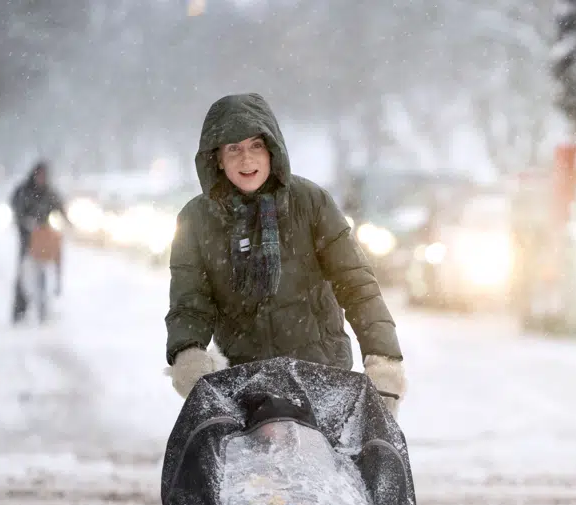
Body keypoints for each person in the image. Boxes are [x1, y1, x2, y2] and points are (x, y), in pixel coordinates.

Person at [164, 93, 406, 415]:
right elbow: (190, 303)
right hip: (243, 388)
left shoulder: (310, 203)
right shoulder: (195, 220)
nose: (246, 160)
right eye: (233, 149)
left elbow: (357, 285)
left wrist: (382, 360)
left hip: (322, 381)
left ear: (272, 150)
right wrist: (189, 355)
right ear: (217, 158)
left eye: (255, 146)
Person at [9, 161, 66, 321]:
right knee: (24, 274)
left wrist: (67, 221)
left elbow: (59, 206)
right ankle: (20, 310)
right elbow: (17, 210)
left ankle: (42, 307)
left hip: (43, 238)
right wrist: (27, 222)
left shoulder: (48, 192)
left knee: (43, 272)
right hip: (27, 239)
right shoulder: (24, 191)